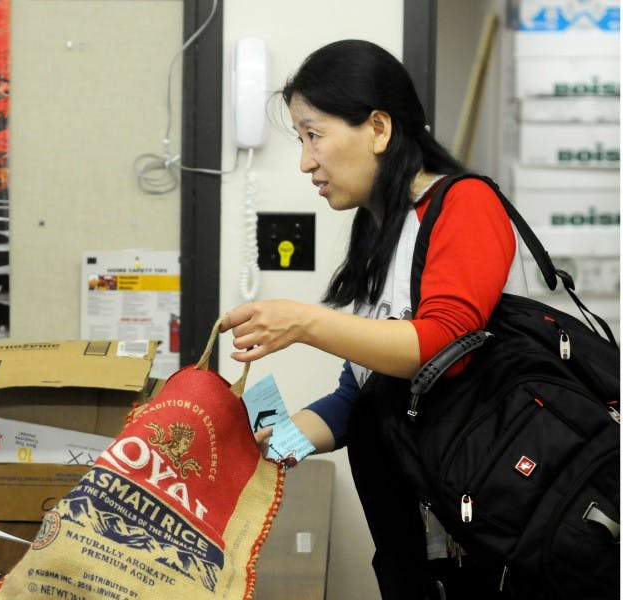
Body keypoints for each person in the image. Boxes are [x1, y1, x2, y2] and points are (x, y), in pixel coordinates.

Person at [219, 40, 527, 599]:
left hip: (485, 541)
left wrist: (304, 323)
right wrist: (265, 448)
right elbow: (357, 399)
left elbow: (442, 342)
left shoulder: (465, 203)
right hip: (412, 539)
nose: (306, 160)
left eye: (315, 135)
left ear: (379, 128)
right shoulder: (379, 232)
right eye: (300, 139)